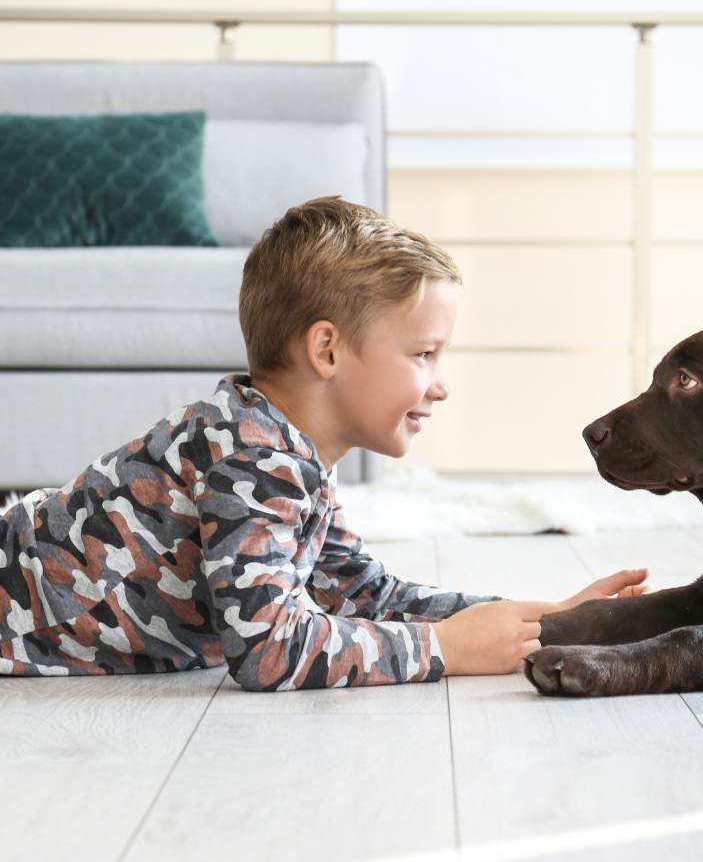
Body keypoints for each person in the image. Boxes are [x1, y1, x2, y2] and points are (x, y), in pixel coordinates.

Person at [0, 196, 648, 688]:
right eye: (423, 354)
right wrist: (446, 650)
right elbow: (266, 649)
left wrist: (548, 619)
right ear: (327, 349)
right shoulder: (252, 459)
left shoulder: (291, 453)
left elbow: (367, 596)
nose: (440, 385)